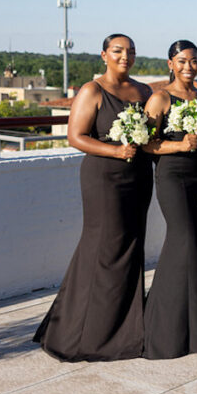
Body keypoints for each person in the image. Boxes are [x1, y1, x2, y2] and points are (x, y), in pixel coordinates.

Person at [34, 33, 153, 361]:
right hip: (104, 178)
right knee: (103, 247)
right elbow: (75, 136)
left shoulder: (144, 91)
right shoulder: (92, 90)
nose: (124, 56)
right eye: (117, 51)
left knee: (131, 246)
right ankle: (82, 334)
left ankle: (126, 330)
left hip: (139, 176)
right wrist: (115, 151)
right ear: (104, 55)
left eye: (130, 51)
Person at [141, 40, 197, 359]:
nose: (189, 66)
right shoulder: (160, 98)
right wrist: (178, 146)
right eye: (182, 61)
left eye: (194, 61)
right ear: (170, 64)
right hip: (172, 177)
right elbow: (146, 144)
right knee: (183, 240)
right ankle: (164, 330)